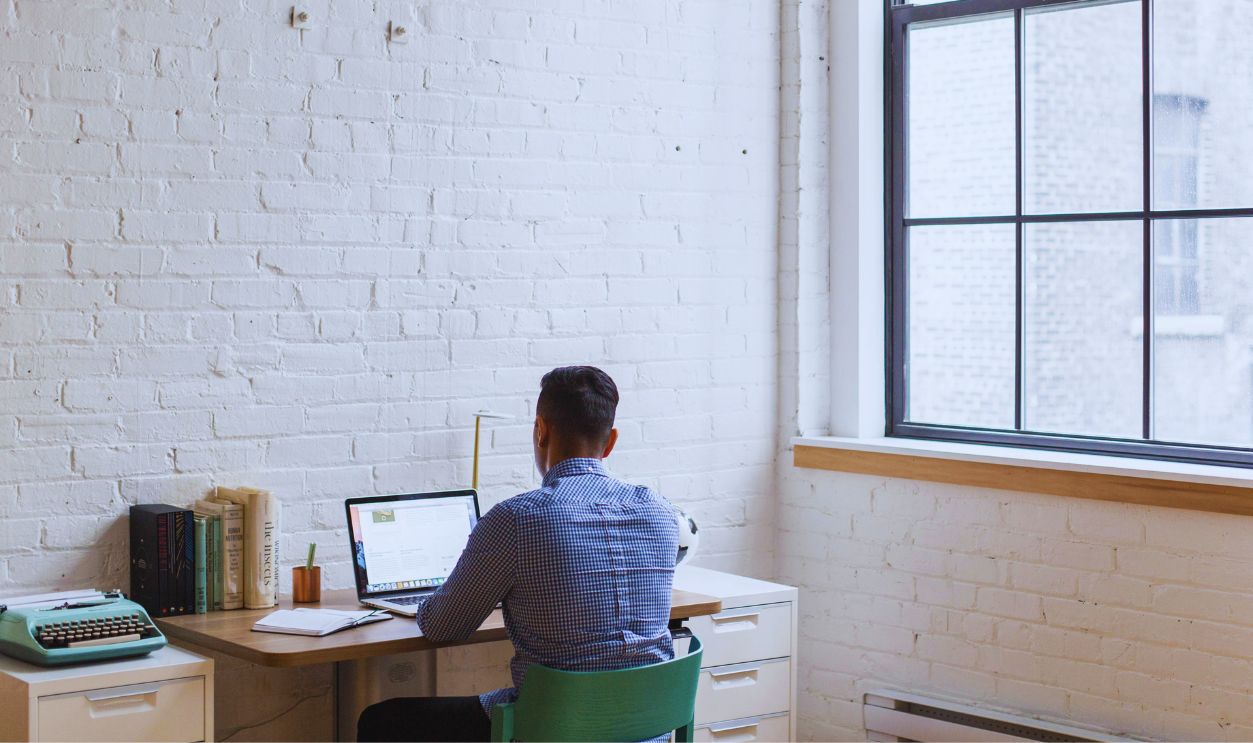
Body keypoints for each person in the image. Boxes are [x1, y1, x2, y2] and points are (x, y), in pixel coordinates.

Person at [358, 365, 680, 742]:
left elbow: (443, 626)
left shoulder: (518, 519)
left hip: (552, 729)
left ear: (540, 430)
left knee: (381, 721)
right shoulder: (660, 512)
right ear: (610, 442)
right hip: (647, 729)